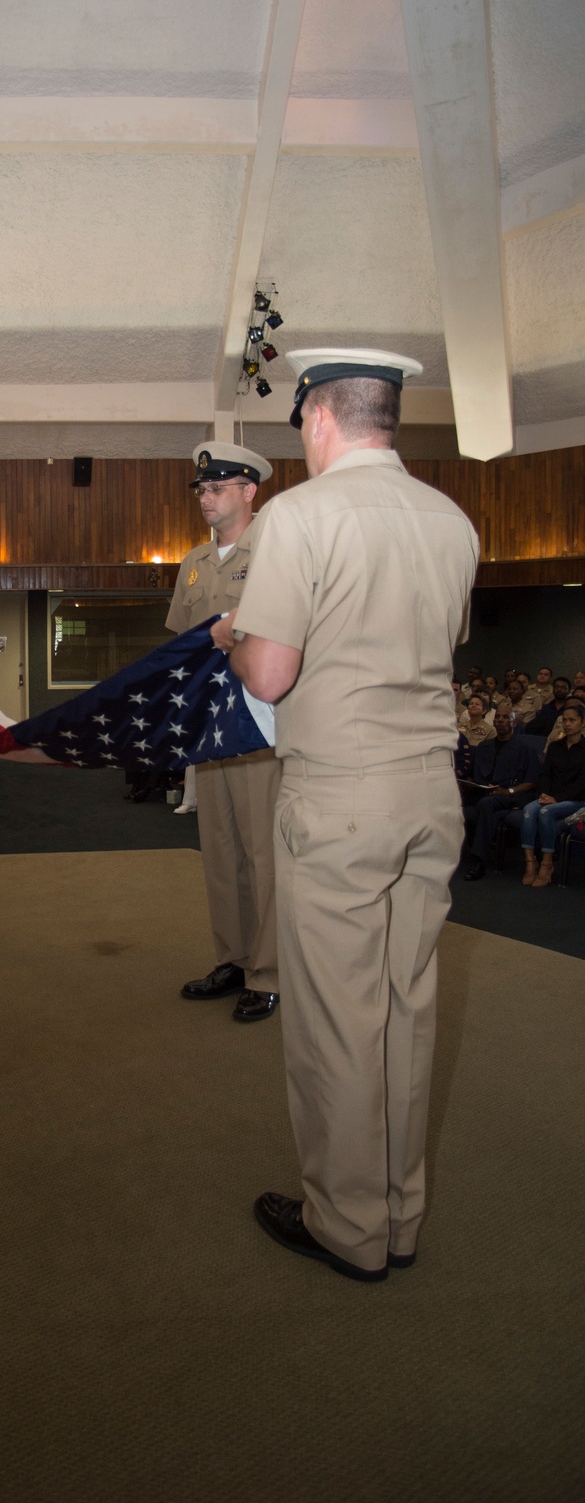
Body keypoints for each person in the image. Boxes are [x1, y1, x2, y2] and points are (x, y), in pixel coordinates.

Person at [229, 346, 479, 1282]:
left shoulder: (301, 516)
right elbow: (436, 645)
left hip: (339, 793)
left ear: (319, 417)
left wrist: (236, 639)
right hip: (431, 792)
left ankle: (345, 1224)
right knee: (407, 1011)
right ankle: (399, 1215)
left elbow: (272, 672)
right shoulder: (453, 522)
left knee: (339, 1018)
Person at [166, 441, 281, 1025]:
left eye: (217, 488)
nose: (206, 498)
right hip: (209, 725)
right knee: (220, 849)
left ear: (248, 491)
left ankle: (268, 972)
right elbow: (182, 647)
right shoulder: (192, 563)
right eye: (201, 490)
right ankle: (232, 959)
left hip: (258, 725)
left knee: (263, 852)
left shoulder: (277, 553)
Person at [460, 707, 542, 880]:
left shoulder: (524, 749)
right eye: (498, 717)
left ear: (513, 722)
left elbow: (532, 782)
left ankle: (479, 861)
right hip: (483, 791)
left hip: (509, 795)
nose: (501, 720)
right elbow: (473, 774)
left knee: (486, 805)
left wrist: (508, 791)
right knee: (452, 800)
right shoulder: (485, 746)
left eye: (506, 717)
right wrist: (472, 784)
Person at [518, 703, 585, 886]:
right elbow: (545, 774)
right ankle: (530, 863)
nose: (567, 724)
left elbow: (582, 784)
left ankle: (547, 863)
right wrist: (545, 794)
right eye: (564, 720)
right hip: (550, 797)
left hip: (576, 801)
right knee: (529, 810)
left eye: (572, 720)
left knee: (546, 812)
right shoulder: (555, 746)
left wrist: (556, 799)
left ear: (582, 723)